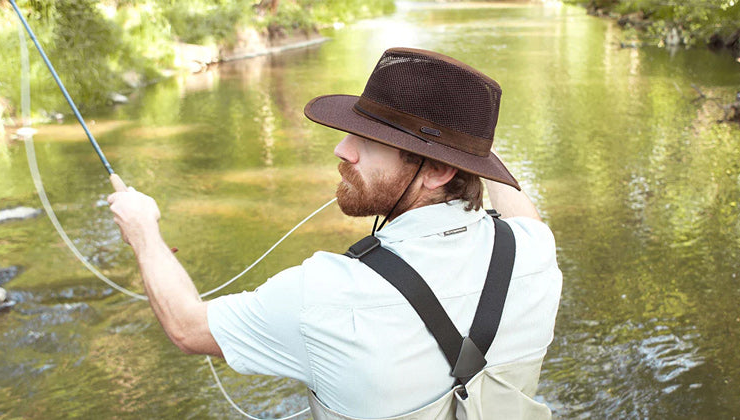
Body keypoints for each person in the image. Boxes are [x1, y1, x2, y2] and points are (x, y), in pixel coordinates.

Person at [105, 47, 561, 419]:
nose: (343, 150)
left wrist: (144, 231)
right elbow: (517, 206)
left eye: (368, 140)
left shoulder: (324, 295)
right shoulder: (535, 253)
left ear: (438, 170)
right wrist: (466, 143)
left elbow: (186, 327)